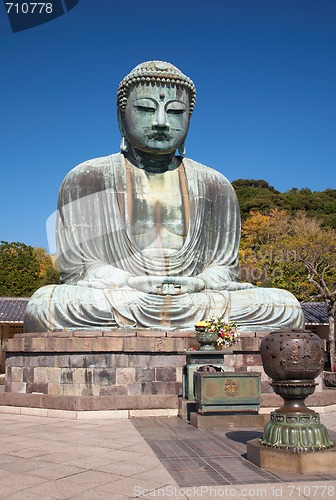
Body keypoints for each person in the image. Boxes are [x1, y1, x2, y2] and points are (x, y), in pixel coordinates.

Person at [24, 61, 305, 332]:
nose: (160, 122)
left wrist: (198, 283)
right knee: (47, 305)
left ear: (189, 119)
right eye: (146, 109)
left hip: (196, 296)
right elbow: (80, 270)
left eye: (174, 112)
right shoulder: (86, 178)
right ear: (121, 117)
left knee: (284, 306)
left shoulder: (214, 185)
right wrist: (133, 282)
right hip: (123, 295)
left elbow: (224, 268)